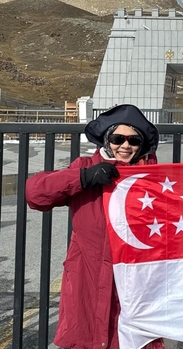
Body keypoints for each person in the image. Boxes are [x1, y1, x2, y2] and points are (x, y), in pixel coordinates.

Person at [26, 104, 164, 349]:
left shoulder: (152, 177)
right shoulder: (85, 166)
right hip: (86, 276)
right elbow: (35, 194)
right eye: (117, 138)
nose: (125, 146)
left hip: (135, 280)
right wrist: (83, 178)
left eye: (133, 140)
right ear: (106, 139)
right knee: (87, 336)